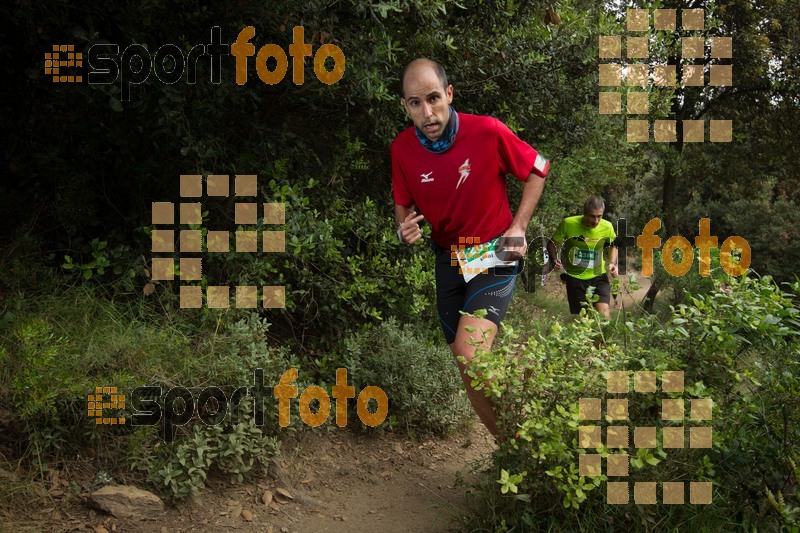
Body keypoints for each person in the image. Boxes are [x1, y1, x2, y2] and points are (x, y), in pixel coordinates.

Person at [391, 58, 550, 437]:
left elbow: (538, 168)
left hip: (495, 251)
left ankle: (530, 440)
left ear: (449, 93)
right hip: (448, 259)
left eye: (433, 98)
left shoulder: (487, 131)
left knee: (469, 352)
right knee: (467, 366)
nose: (427, 112)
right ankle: (511, 448)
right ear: (405, 107)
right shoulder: (401, 150)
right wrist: (403, 230)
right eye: (415, 103)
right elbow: (403, 207)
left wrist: (519, 225)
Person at [547, 196, 618, 318]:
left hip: (598, 277)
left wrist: (612, 263)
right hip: (576, 279)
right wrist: (554, 259)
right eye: (592, 216)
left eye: (599, 216)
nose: (596, 221)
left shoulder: (607, 226)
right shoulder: (569, 224)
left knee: (604, 317)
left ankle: (606, 337)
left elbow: (614, 246)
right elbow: (551, 244)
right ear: (584, 213)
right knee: (585, 322)